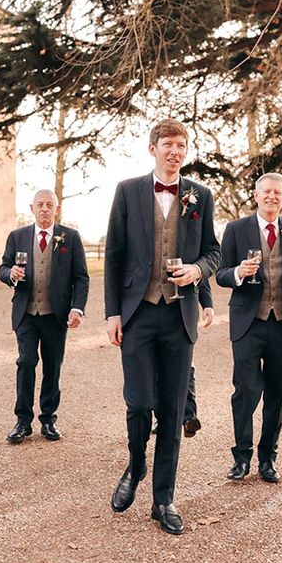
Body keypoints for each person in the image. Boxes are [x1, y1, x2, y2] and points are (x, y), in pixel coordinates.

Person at [105, 118, 220, 536]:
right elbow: (115, 255)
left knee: (172, 411)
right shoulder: (128, 191)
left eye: (182, 145)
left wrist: (197, 269)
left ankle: (163, 499)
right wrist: (112, 313)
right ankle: (134, 468)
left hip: (179, 315)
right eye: (168, 144)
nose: (175, 151)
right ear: (152, 147)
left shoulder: (200, 195)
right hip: (137, 313)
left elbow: (213, 251)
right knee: (138, 403)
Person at [216, 172, 282, 484]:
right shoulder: (236, 229)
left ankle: (268, 459)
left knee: (276, 393)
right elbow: (221, 273)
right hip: (248, 323)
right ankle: (241, 457)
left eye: (278, 193)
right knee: (246, 391)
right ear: (255, 194)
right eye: (266, 192)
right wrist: (237, 272)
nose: (272, 197)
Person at [0, 189, 89, 443]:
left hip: (56, 315)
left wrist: (77, 308)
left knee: (52, 367)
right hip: (26, 312)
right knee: (26, 362)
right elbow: (3, 267)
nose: (45, 209)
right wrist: (10, 275)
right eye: (40, 204)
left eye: (50, 205)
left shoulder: (69, 238)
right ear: (32, 208)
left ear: (56, 209)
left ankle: (48, 420)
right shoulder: (17, 236)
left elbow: (81, 277)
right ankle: (22, 421)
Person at [152, 277, 214, 438]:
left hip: (183, 316)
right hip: (152, 314)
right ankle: (164, 417)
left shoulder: (188, 251)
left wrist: (207, 304)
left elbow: (202, 277)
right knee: (157, 369)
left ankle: (188, 417)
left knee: (186, 368)